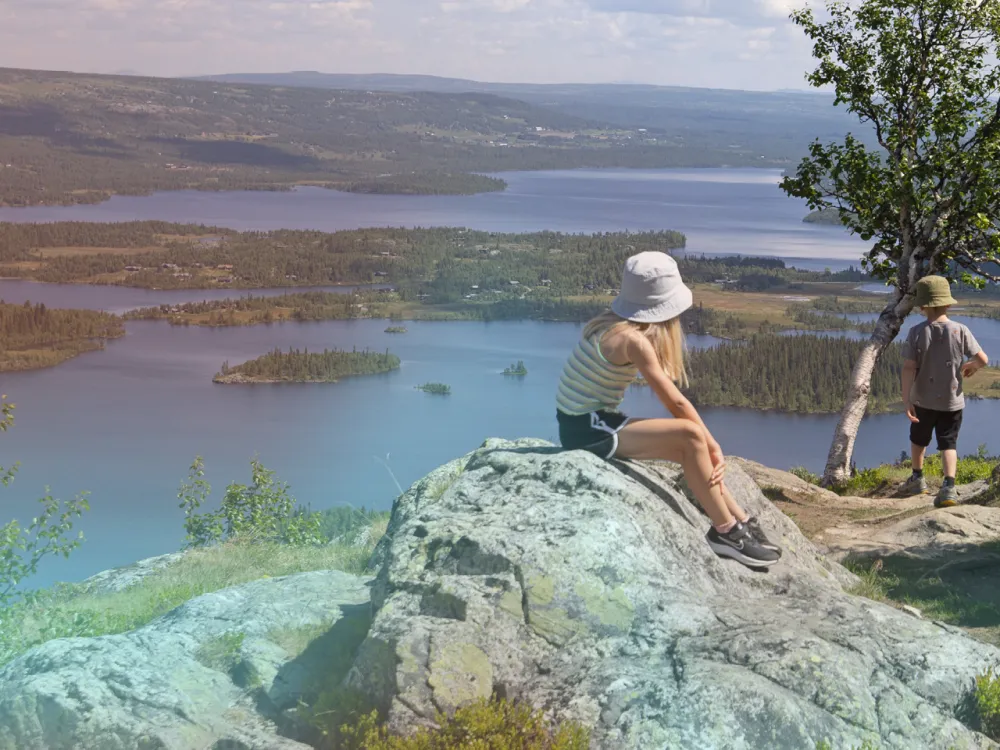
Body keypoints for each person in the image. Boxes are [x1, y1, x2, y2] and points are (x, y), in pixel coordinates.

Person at [555, 251, 782, 568]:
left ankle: (740, 519)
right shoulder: (634, 340)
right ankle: (726, 533)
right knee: (690, 436)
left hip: (589, 422)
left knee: (690, 448)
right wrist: (713, 444)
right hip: (588, 430)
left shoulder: (608, 324)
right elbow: (674, 401)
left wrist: (706, 447)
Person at [900, 276, 989, 507]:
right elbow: (982, 359)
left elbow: (909, 367)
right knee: (948, 443)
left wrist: (906, 399)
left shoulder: (916, 332)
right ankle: (949, 487)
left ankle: (917, 479)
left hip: (922, 400)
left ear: (922, 306)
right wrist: (972, 366)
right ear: (948, 304)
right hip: (952, 402)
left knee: (918, 439)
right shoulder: (960, 330)